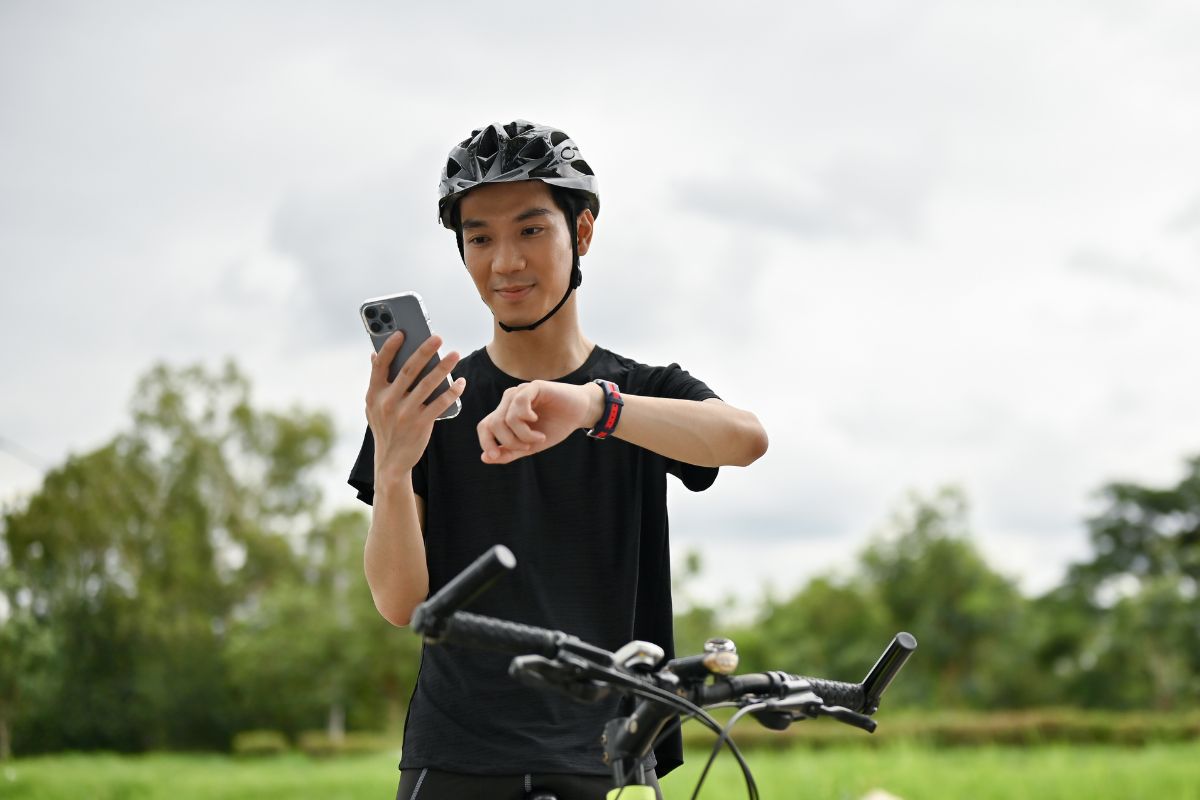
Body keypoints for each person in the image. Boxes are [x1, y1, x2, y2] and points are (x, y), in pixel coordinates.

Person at [349, 120, 768, 800]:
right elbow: (401, 603)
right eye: (479, 237)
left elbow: (743, 438)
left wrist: (592, 408)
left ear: (583, 233)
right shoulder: (430, 407)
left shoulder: (639, 393)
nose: (504, 261)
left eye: (531, 230)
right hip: (456, 760)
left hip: (613, 755)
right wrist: (394, 468)